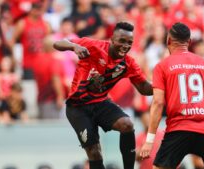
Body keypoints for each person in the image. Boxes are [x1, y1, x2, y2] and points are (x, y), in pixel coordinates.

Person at [53, 22, 153, 169]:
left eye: (129, 43)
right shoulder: (93, 46)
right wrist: (74, 47)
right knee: (94, 153)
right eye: (122, 41)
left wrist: (165, 85)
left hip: (101, 103)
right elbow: (58, 43)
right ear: (112, 39)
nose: (126, 46)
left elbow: (144, 88)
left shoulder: (128, 63)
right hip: (77, 107)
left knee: (127, 124)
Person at [139, 22, 204, 169]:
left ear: (168, 40)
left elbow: (157, 103)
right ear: (189, 42)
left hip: (178, 129)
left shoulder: (162, 66)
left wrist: (150, 140)